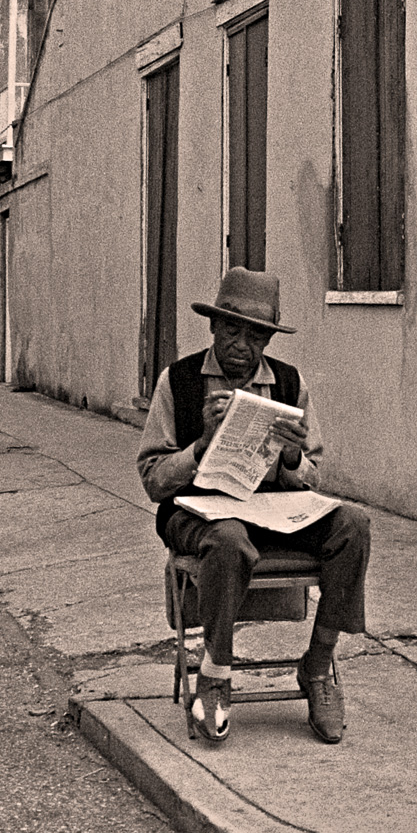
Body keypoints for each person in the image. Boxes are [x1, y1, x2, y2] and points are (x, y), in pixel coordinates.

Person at [137, 267, 369, 745]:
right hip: (198, 515)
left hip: (272, 512)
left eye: (256, 336)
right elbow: (153, 480)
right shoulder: (177, 381)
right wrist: (201, 445)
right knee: (228, 536)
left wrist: (290, 458)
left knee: (354, 523)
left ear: (267, 339)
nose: (242, 345)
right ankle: (216, 674)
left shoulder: (289, 383)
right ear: (213, 327)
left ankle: (318, 665)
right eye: (232, 331)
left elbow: (314, 473)